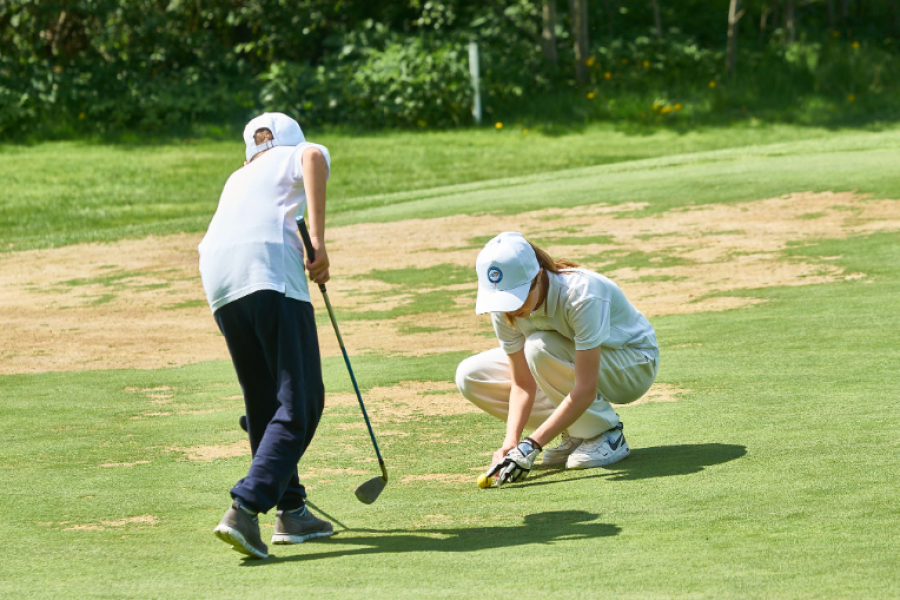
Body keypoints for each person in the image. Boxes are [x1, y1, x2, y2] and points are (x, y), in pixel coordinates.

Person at [199, 112, 334, 559]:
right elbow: (313, 157)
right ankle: (246, 506)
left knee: (263, 402)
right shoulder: (297, 152)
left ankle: (292, 510)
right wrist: (317, 242)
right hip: (269, 270)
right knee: (301, 402)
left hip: (219, 276)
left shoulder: (239, 176)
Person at [456, 232, 660, 485]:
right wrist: (511, 444)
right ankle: (578, 429)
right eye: (505, 299)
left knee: (539, 347)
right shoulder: (504, 309)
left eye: (518, 296)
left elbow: (585, 388)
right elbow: (522, 384)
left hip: (632, 364)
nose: (512, 308)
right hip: (570, 359)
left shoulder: (581, 294)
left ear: (538, 276)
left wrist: (531, 445)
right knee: (471, 375)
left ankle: (606, 434)